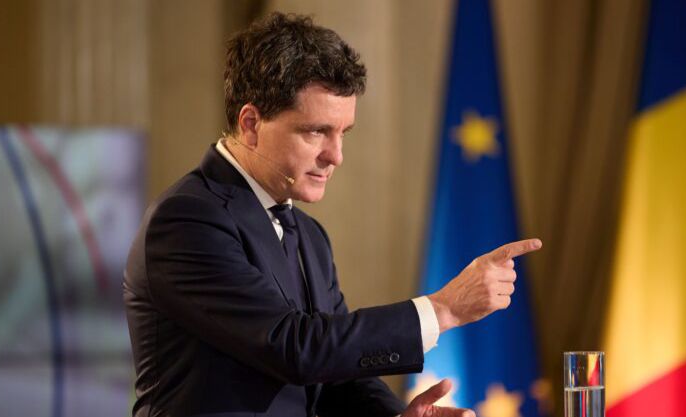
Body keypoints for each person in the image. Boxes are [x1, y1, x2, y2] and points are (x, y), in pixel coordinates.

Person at [123, 12, 541, 417]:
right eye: (316, 131)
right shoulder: (186, 220)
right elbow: (292, 347)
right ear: (250, 124)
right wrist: (442, 309)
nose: (336, 156)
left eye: (343, 133)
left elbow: (335, 374)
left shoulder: (309, 235)